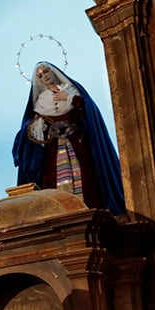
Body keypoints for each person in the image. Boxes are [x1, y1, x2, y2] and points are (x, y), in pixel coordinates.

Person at [11, 62, 126, 216]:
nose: (44, 76)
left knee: (85, 178)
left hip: (78, 145)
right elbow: (30, 128)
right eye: (40, 75)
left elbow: (89, 111)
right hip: (54, 149)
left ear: (53, 72)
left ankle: (89, 210)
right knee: (55, 181)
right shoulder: (41, 101)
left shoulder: (71, 90)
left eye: (46, 71)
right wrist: (37, 125)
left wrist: (70, 98)